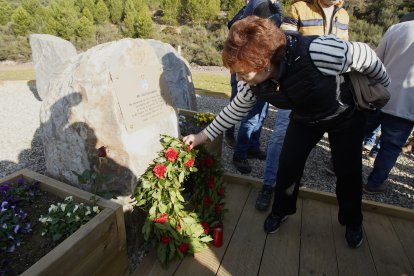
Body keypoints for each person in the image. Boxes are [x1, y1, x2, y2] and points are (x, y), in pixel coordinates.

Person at [183, 16, 389, 248]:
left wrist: (383, 84)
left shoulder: (318, 51)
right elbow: (234, 110)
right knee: (288, 165)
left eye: (242, 73)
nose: (238, 79)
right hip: (304, 118)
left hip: (344, 116)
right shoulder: (253, 83)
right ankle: (281, 210)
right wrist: (200, 136)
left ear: (265, 63)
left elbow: (365, 55)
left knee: (347, 172)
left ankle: (352, 221)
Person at [255, 0, 350, 210]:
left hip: (329, 92)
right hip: (296, 86)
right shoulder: (299, 7)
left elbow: (347, 49)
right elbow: (283, 41)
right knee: (280, 136)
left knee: (339, 153)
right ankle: (269, 185)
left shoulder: (343, 15)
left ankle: (349, 215)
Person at [225, 0, 283, 174]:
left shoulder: (275, 5)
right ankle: (240, 154)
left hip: (262, 69)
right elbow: (243, 34)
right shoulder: (257, 4)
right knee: (249, 115)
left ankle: (253, 146)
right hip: (249, 67)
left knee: (261, 113)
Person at [363, 14, 414, 194]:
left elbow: (376, 60)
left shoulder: (399, 28)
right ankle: (374, 183)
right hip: (407, 104)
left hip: (379, 94)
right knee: (390, 147)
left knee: (358, 132)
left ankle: (338, 167)